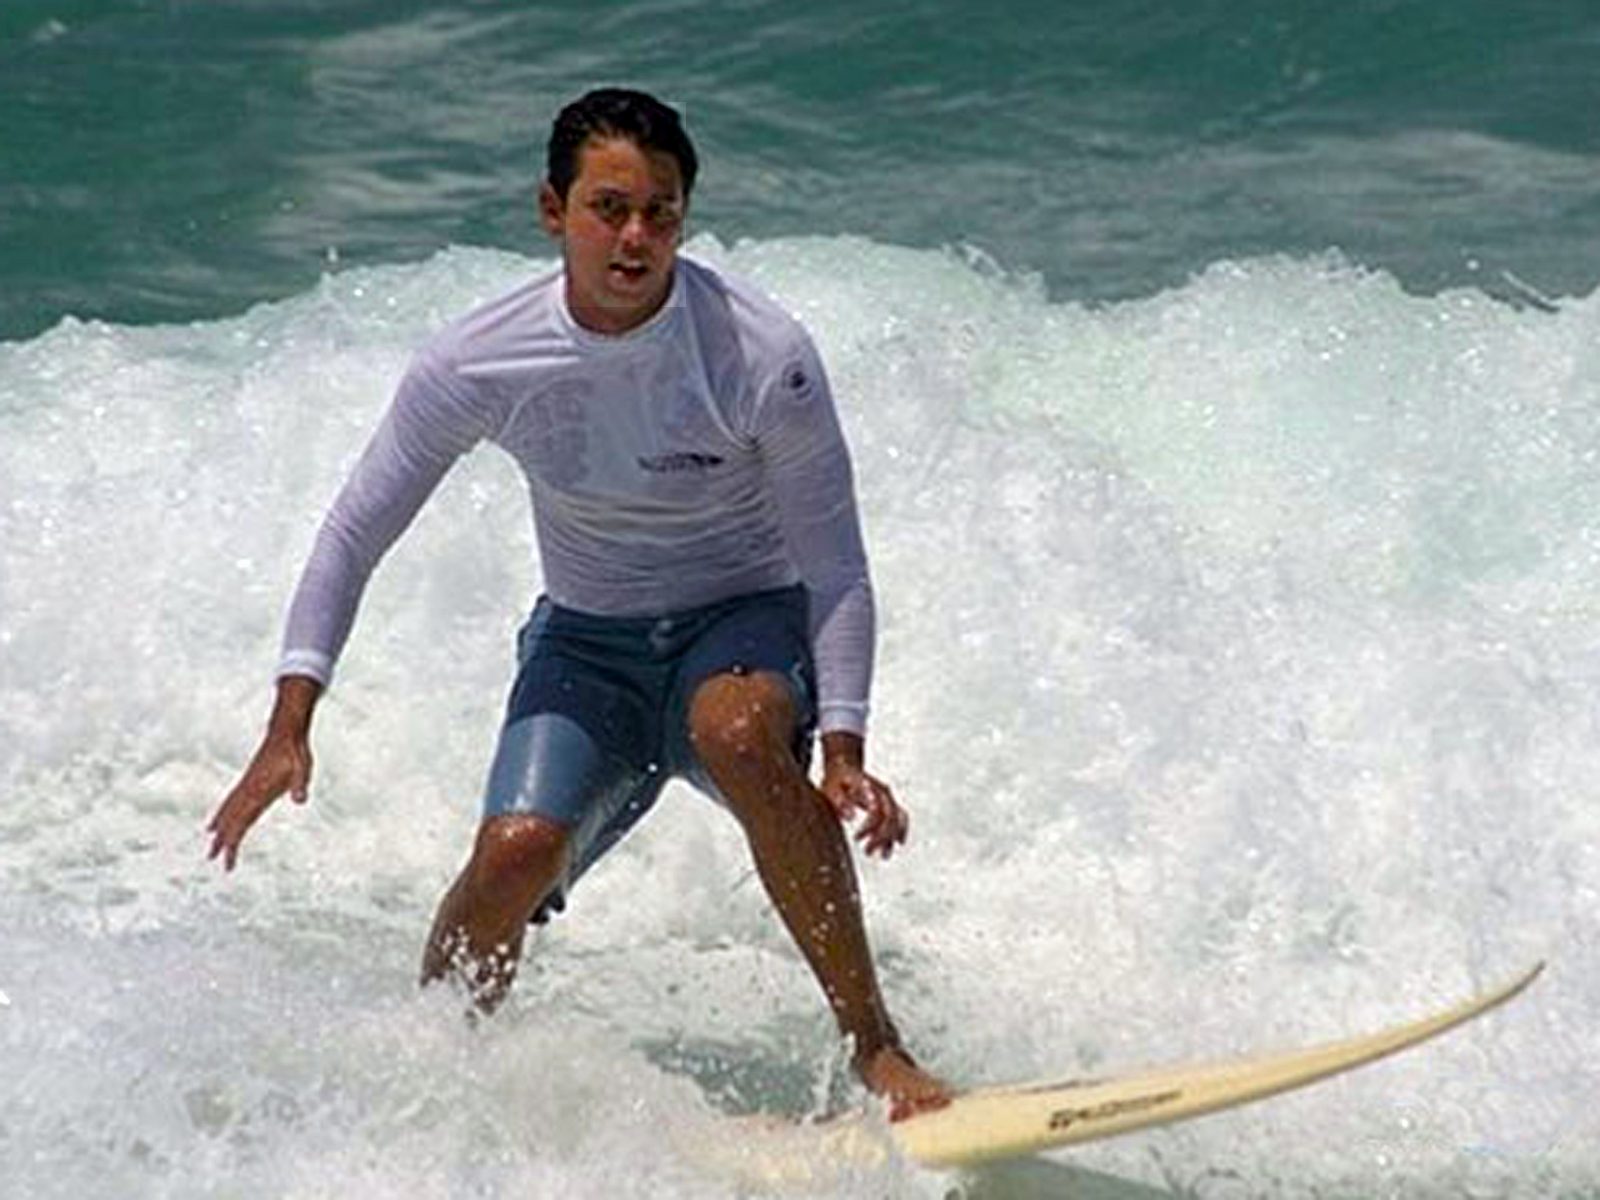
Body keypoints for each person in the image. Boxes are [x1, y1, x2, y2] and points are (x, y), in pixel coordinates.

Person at [207, 87, 950, 1120]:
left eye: (661, 212)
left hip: (741, 628)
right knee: (511, 855)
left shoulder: (759, 353)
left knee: (735, 730)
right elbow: (353, 529)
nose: (636, 236)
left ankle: (875, 1047)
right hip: (587, 652)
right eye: (609, 208)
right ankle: (433, 1073)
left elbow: (835, 566)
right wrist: (291, 721)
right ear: (551, 210)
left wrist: (842, 750)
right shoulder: (478, 360)